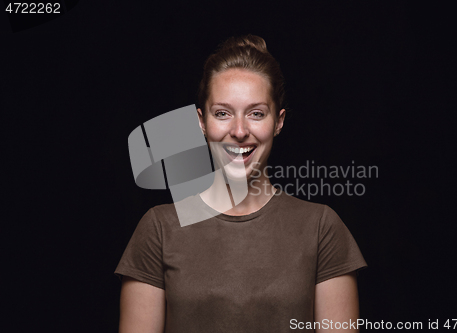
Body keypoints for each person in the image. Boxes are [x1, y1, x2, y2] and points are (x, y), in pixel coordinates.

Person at [115, 34, 367, 332]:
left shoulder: (321, 227)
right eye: (222, 113)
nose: (238, 130)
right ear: (201, 122)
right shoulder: (159, 228)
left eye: (256, 113)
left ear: (279, 121)